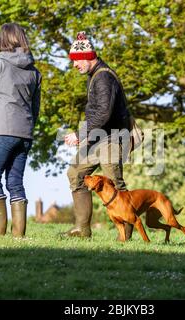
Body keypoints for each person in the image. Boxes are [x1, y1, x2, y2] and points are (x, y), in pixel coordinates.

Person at [62, 31, 133, 239]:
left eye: (76, 60)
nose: (74, 65)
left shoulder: (103, 77)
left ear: (88, 56)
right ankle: (82, 229)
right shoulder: (95, 76)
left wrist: (79, 133)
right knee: (76, 173)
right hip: (97, 138)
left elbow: (104, 112)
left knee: (114, 184)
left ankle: (126, 235)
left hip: (111, 138)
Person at [0, 23, 42, 237]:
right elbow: (36, 107)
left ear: (2, 39)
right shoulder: (34, 71)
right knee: (15, 182)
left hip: (2, 129)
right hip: (25, 133)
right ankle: (19, 236)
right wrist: (28, 128)